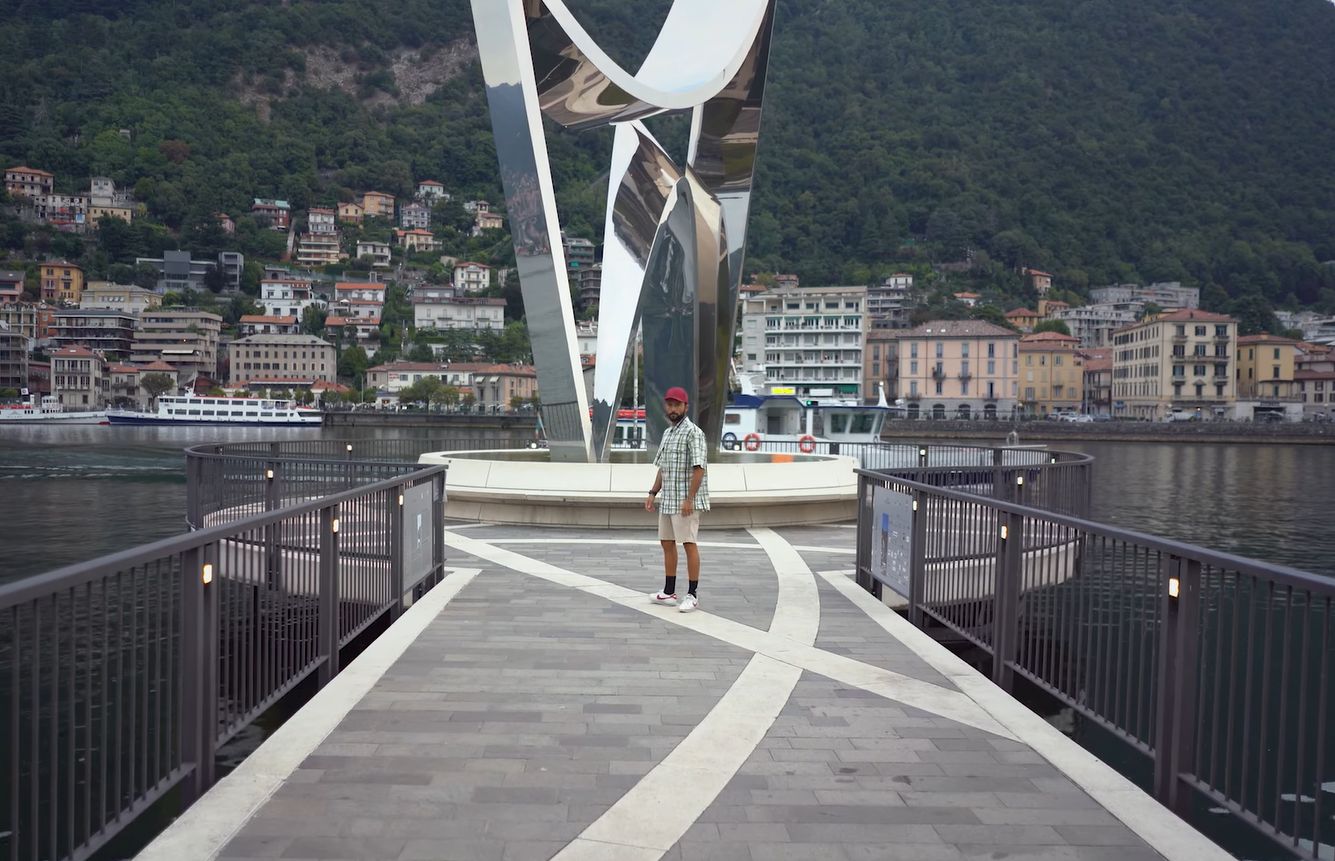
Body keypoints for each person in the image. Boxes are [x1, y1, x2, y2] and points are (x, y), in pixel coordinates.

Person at [645, 386, 709, 612]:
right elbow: (662, 467)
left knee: (689, 544)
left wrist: (689, 498)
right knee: (667, 543)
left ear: (685, 407)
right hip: (668, 500)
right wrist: (653, 493)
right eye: (669, 404)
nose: (672, 409)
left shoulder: (694, 433)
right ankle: (669, 591)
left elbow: (699, 468)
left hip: (685, 501)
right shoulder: (667, 433)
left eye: (676, 405)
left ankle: (692, 594)